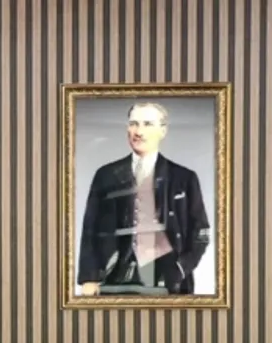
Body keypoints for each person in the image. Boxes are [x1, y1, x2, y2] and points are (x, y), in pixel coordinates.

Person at [76, 102, 211, 295]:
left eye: (147, 124)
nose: (139, 131)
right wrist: (88, 277)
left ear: (162, 131)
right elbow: (90, 229)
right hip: (114, 275)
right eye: (134, 124)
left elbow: (200, 232)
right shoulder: (106, 175)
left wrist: (181, 268)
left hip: (167, 277)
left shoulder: (184, 178)